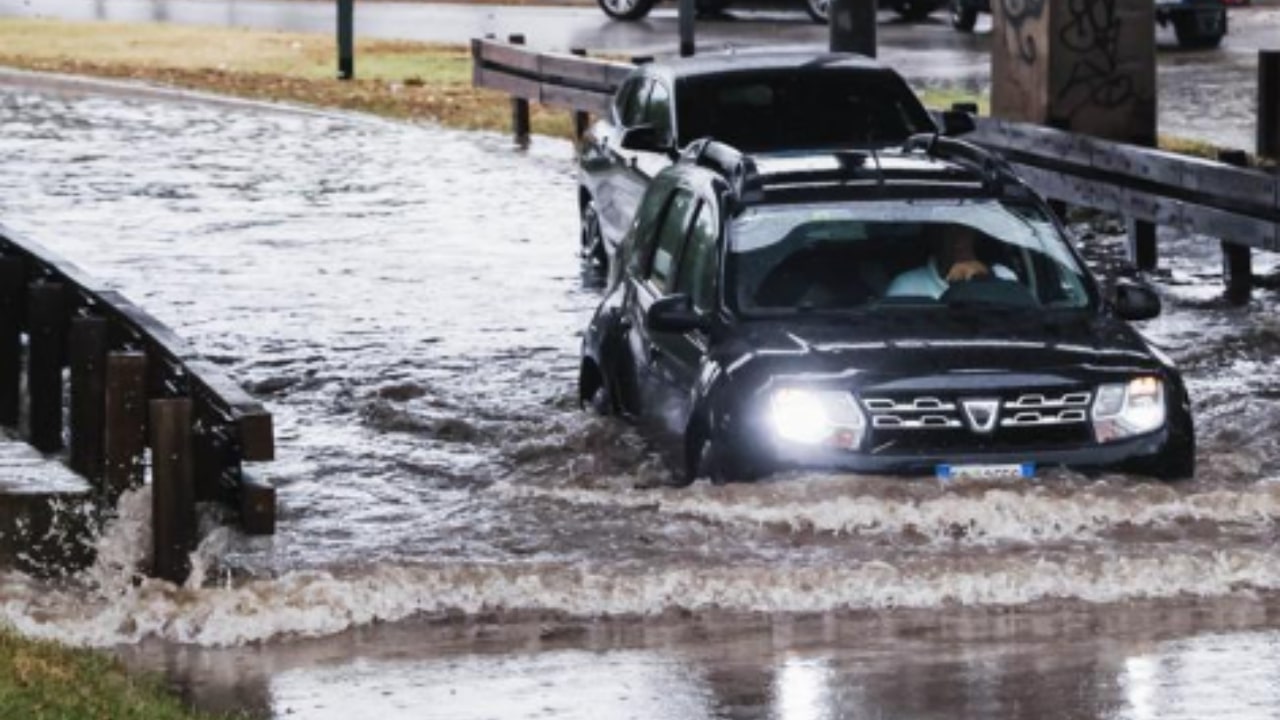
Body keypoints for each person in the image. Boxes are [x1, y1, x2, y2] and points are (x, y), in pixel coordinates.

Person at [886, 225, 1016, 299]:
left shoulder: (1003, 277)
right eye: (949, 230)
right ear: (935, 236)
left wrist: (986, 278)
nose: (958, 239)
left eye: (964, 229)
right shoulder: (907, 287)